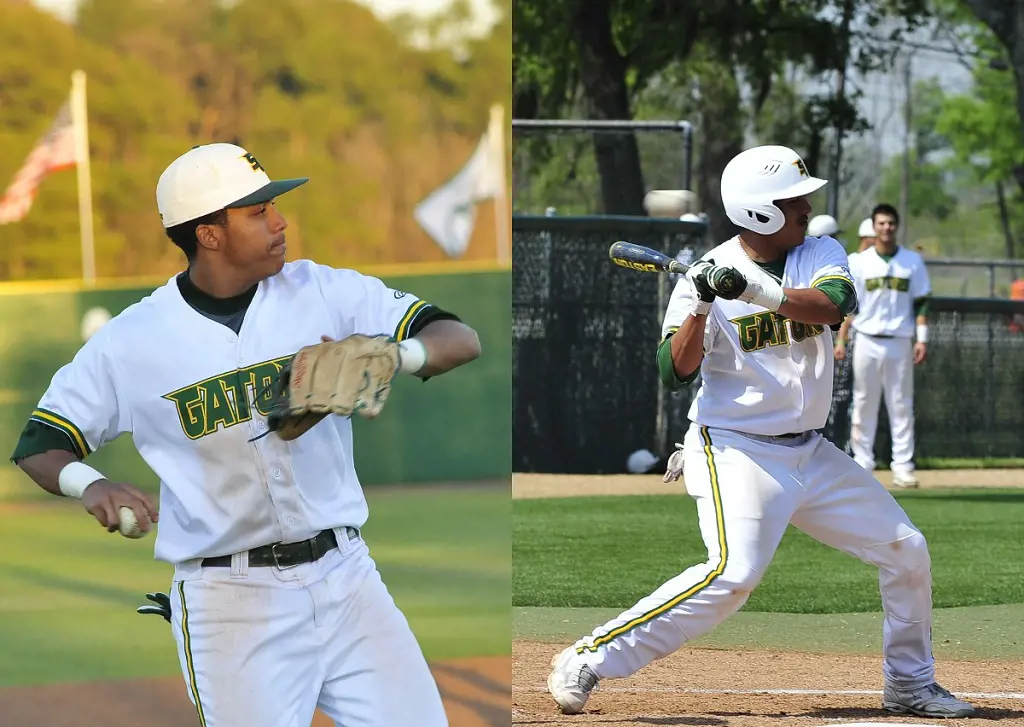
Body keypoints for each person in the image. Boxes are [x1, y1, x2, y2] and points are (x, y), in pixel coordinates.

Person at [10, 142, 482, 727]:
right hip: (230, 601)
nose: (279, 221)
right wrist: (91, 483)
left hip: (347, 577)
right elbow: (39, 444)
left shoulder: (322, 291)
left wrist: (397, 354)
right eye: (257, 211)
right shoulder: (133, 340)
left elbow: (459, 337)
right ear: (209, 233)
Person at [546, 145, 974, 719]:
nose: (804, 207)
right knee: (734, 573)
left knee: (906, 550)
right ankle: (589, 657)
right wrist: (700, 305)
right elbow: (673, 371)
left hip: (810, 451)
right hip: (735, 448)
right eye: (792, 200)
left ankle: (909, 683)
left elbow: (832, 306)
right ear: (760, 212)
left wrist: (750, 290)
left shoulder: (819, 249)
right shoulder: (703, 276)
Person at [835, 203, 930, 488]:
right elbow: (850, 306)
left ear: (896, 226)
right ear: (873, 227)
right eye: (881, 223)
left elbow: (921, 301)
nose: (886, 228)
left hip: (900, 339)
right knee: (864, 401)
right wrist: (841, 338)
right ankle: (863, 462)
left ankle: (902, 466)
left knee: (901, 404)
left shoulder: (912, 262)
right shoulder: (860, 262)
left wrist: (922, 338)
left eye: (890, 223)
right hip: (867, 338)